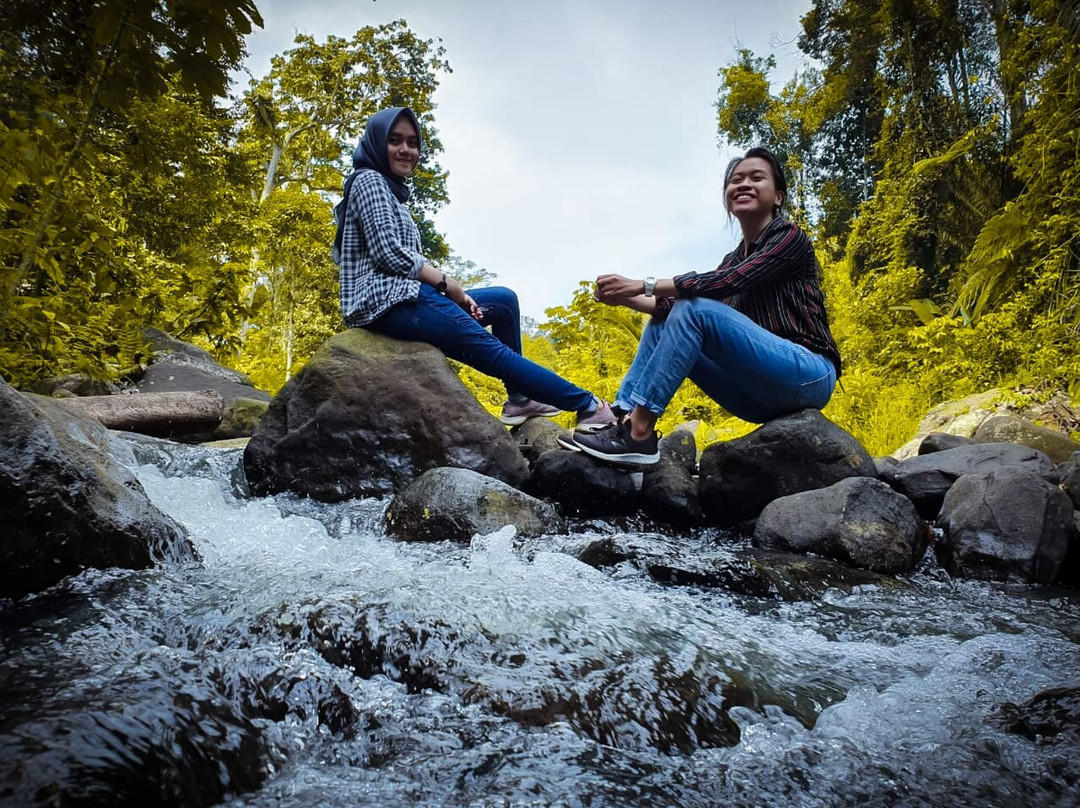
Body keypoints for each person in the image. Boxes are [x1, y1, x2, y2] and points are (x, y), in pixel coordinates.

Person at [334, 106, 613, 430]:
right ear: (376, 143)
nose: (406, 150)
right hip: (387, 302)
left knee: (504, 301)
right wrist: (449, 286)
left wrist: (453, 293)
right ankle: (589, 406)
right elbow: (389, 255)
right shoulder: (369, 180)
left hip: (406, 295)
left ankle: (520, 401)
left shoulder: (390, 190)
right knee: (491, 352)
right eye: (395, 140)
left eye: (412, 142)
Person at [561, 146, 841, 465]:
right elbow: (675, 310)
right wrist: (623, 296)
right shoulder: (732, 259)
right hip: (758, 395)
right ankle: (619, 418)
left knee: (692, 307)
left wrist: (642, 283)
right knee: (667, 320)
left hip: (809, 375)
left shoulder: (789, 238)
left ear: (778, 196)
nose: (744, 184)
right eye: (736, 180)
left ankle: (638, 435)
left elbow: (729, 282)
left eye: (756, 177)